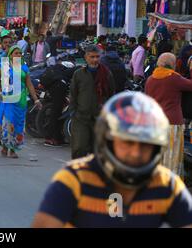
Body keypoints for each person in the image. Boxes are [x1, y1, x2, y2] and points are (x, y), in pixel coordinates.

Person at [32, 91, 192, 228]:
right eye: (127, 142)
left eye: (145, 143)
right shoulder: (74, 180)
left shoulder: (166, 184)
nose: (136, 152)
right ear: (106, 140)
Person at [144, 52, 192, 177]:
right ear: (172, 64)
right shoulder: (174, 78)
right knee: (171, 155)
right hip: (172, 123)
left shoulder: (150, 79)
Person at [0, 45, 41, 158]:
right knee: (8, 123)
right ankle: (5, 147)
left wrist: (36, 99)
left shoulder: (24, 68)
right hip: (7, 100)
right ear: (10, 55)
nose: (18, 55)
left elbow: (30, 85)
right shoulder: (4, 66)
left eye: (20, 53)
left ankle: (13, 149)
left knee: (18, 124)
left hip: (21, 101)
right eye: (16, 53)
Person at [69, 45, 115, 159]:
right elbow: (73, 94)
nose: (95, 60)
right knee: (79, 147)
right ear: (86, 57)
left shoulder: (106, 73)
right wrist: (73, 111)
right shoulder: (79, 74)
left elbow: (111, 93)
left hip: (99, 117)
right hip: (81, 117)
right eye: (92, 57)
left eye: (97, 57)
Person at [39, 60, 77, 147]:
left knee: (56, 112)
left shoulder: (57, 69)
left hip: (54, 88)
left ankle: (58, 138)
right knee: (56, 113)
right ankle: (51, 139)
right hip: (59, 88)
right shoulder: (75, 70)